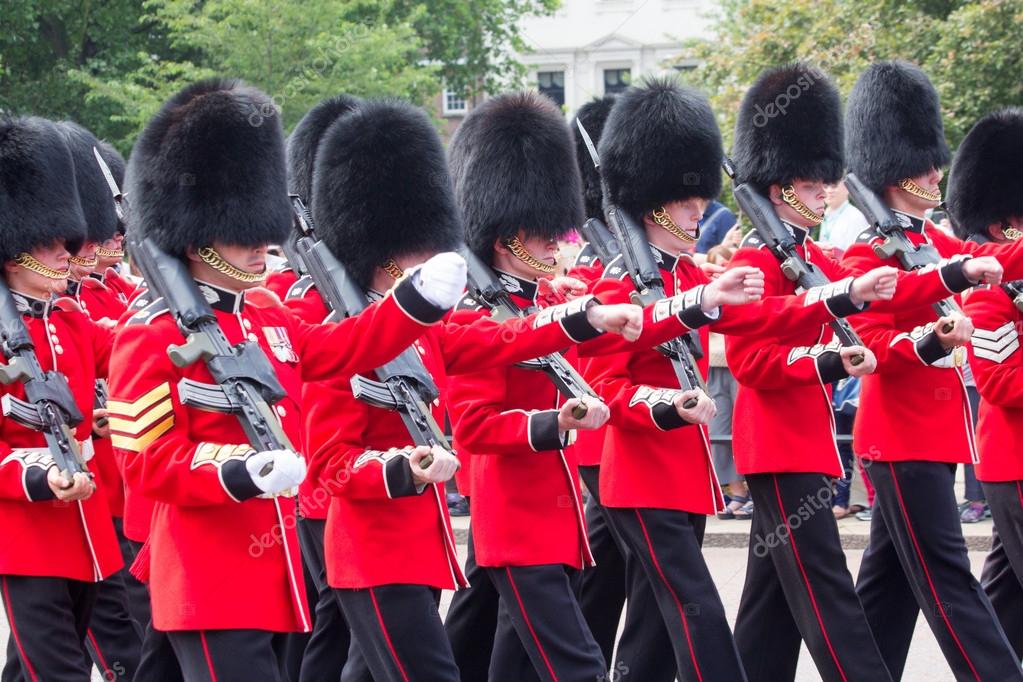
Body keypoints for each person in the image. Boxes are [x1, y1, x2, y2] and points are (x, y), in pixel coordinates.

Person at [105, 78, 469, 680]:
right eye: (244, 235)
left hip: (276, 575)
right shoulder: (149, 333)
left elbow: (337, 350)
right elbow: (144, 462)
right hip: (208, 578)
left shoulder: (267, 313)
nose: (263, 246)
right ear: (199, 235)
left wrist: (413, 304)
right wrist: (238, 469)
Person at [726, 62, 1002, 682]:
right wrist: (905, 336)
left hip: (815, 444)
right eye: (815, 185)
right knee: (833, 594)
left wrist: (957, 275)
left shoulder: (825, 253)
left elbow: (965, 262)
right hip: (785, 444)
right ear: (779, 188)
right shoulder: (770, 257)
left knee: (780, 603)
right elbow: (751, 357)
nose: (827, 194)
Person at [843, 60, 1023, 681]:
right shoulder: (866, 251)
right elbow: (869, 344)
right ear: (896, 172)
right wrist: (931, 337)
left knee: (886, 590)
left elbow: (989, 254)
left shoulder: (934, 240)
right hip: (897, 438)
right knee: (950, 578)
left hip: (934, 438)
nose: (935, 173)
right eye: (924, 166)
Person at [0, 114, 123, 682]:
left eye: (63, 244)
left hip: (85, 528)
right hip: (24, 537)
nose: (62, 256)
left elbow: (129, 353)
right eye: (47, 246)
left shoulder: (71, 320)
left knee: (27, 672)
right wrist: (37, 476)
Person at [947, 106, 1023, 660]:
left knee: (1005, 602)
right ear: (1005, 226)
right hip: (1014, 466)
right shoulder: (987, 296)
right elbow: (1000, 382)